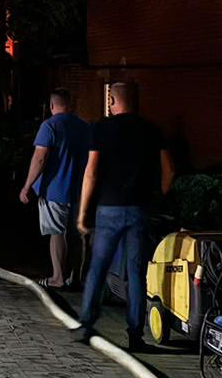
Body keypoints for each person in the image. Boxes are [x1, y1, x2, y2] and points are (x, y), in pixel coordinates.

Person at [70, 81, 172, 349]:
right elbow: (168, 172)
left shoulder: (101, 129)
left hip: (108, 209)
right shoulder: (151, 130)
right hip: (139, 210)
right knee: (137, 272)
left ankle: (86, 324)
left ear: (112, 101)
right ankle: (135, 336)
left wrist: (83, 213)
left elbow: (91, 172)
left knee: (98, 266)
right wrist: (157, 198)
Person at [19, 88, 91, 288]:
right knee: (77, 236)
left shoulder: (49, 126)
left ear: (52, 106)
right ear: (70, 104)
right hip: (80, 191)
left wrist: (27, 186)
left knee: (57, 233)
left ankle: (58, 277)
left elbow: (40, 158)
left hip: (54, 190)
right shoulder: (86, 127)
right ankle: (75, 278)